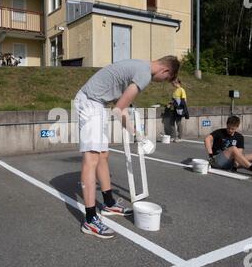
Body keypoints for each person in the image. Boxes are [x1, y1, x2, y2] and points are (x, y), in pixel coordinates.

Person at [74, 56, 180, 239]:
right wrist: (138, 135)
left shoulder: (140, 65)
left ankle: (108, 203)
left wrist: (136, 132)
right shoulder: (144, 74)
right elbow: (119, 109)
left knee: (103, 155)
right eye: (165, 79)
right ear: (166, 71)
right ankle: (90, 220)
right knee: (91, 159)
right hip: (90, 102)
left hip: (96, 103)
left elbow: (122, 103)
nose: (160, 82)